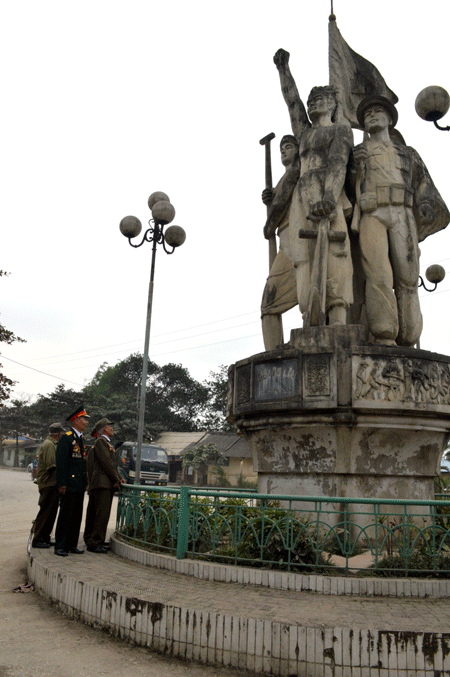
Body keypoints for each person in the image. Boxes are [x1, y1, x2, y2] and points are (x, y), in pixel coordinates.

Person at [349, 95, 450, 346]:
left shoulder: (407, 153)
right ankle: (384, 333)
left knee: (407, 277)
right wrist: (355, 171)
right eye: (368, 113)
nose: (372, 115)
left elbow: (424, 185)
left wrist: (425, 206)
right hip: (372, 214)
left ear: (389, 119)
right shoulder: (357, 153)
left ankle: (409, 335)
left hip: (402, 212)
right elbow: (348, 191)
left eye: (377, 112)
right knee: (378, 274)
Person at [273, 48, 354, 326]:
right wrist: (284, 70)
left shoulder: (340, 130)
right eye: (311, 101)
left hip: (329, 196)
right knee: (303, 258)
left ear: (332, 104)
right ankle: (309, 315)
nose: (312, 104)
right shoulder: (305, 133)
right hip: (303, 197)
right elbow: (292, 102)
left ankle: (339, 317)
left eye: (319, 99)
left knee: (336, 255)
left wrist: (330, 198)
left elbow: (339, 163)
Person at [261, 135, 300, 350]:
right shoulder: (284, 177)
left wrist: (269, 223)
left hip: (298, 238)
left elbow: (283, 201)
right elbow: (279, 196)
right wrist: (271, 195)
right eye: (281, 149)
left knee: (271, 303)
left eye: (288, 147)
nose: (283, 152)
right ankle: (273, 353)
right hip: (285, 241)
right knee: (268, 304)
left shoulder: (297, 172)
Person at [54, 406, 90, 556]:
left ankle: (72, 544)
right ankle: (60, 546)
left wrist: (85, 481)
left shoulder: (81, 439)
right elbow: (61, 463)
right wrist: (62, 483)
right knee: (65, 516)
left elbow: (82, 464)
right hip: (69, 484)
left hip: (79, 485)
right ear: (76, 420)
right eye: (84, 419)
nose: (86, 423)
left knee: (76, 516)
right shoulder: (66, 438)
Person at [83, 418, 123, 553]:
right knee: (101, 514)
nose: (112, 428)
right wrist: (116, 479)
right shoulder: (101, 442)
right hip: (103, 484)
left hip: (100, 483)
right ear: (104, 429)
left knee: (95, 513)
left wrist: (119, 477)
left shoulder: (104, 442)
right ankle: (95, 543)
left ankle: (91, 539)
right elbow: (107, 463)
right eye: (110, 426)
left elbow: (111, 464)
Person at [31, 422, 64, 548]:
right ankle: (38, 539)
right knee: (46, 513)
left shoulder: (51, 443)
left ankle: (45, 537)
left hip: (51, 483)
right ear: (58, 434)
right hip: (49, 483)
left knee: (51, 513)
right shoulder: (50, 445)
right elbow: (52, 465)